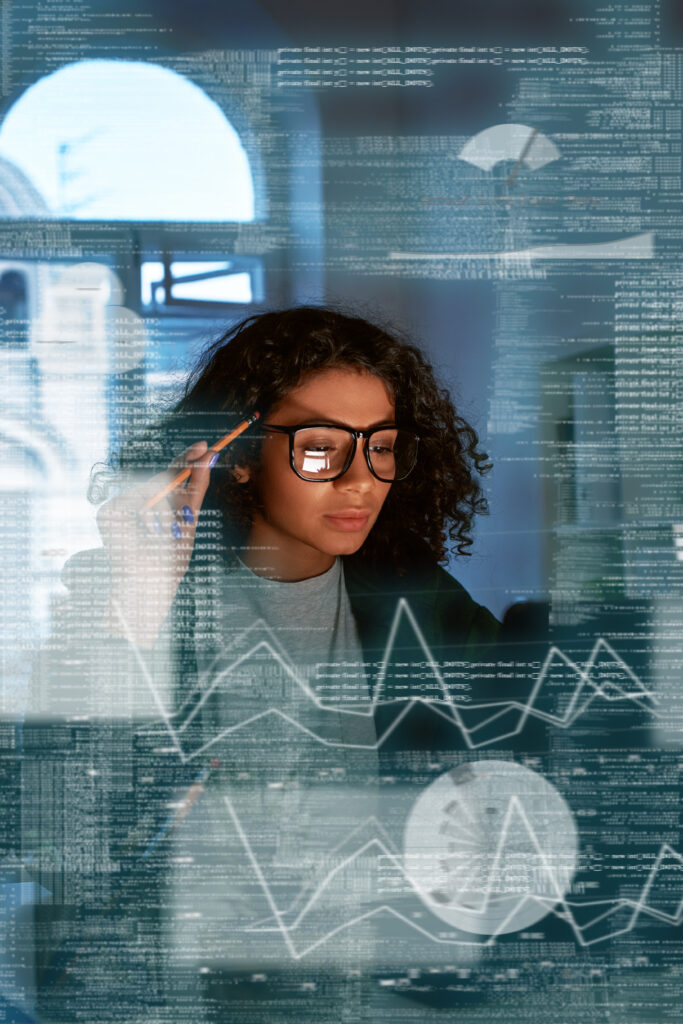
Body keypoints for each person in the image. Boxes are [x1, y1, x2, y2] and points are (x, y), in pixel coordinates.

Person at [26, 306, 499, 1023]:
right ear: (237, 454)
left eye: (382, 447)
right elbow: (58, 831)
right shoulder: (130, 589)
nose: (362, 481)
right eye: (320, 449)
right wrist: (137, 609)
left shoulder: (417, 596)